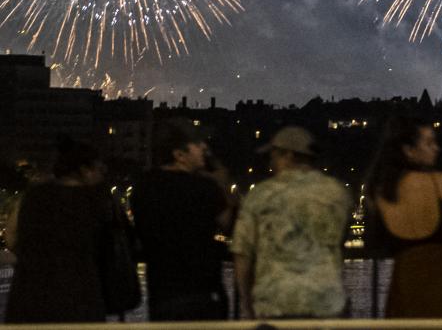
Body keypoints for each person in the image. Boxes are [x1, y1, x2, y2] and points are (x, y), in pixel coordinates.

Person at [364, 119, 442, 318]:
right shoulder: (440, 183)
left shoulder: (379, 191)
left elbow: (373, 244)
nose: (436, 148)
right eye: (429, 143)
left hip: (406, 291)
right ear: (409, 150)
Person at [232, 126, 354, 319]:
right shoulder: (337, 193)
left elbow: (242, 254)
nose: (270, 162)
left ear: (288, 155)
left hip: (274, 303)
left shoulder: (260, 195)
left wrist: (247, 304)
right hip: (325, 302)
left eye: (273, 155)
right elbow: (340, 240)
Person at [131, 120, 234, 321]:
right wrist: (223, 184)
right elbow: (232, 226)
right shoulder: (205, 188)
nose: (204, 147)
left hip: (161, 293)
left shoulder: (144, 186)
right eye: (197, 144)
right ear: (179, 154)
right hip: (203, 292)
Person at [4, 137, 112, 323]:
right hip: (81, 301)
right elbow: (112, 248)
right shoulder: (98, 200)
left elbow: (11, 237)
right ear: (85, 170)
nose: (102, 175)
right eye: (100, 170)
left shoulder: (33, 196)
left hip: (28, 299)